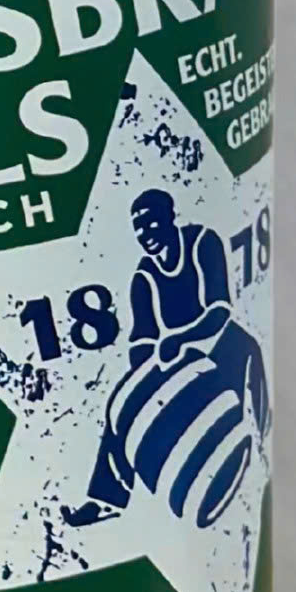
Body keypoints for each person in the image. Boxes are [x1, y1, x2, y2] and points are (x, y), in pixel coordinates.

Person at [65, 187, 268, 527]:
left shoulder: (202, 242)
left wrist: (181, 339)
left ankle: (255, 439)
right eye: (138, 229)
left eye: (151, 224)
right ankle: (106, 499)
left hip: (217, 338)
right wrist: (144, 379)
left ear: (170, 218)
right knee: (120, 404)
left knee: (246, 351)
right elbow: (142, 338)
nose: (145, 234)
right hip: (179, 357)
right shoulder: (144, 276)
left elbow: (219, 310)